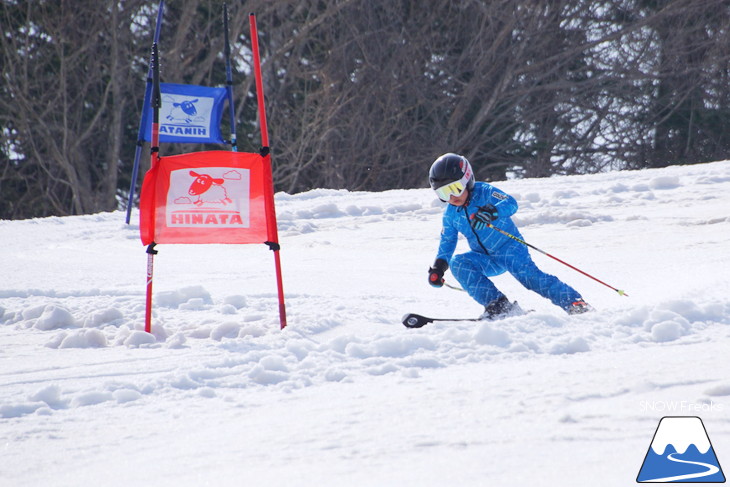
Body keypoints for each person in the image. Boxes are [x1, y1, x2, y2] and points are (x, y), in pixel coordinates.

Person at [427, 153, 591, 319]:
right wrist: (439, 268)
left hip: (509, 248)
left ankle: (574, 302)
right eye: (443, 193)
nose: (452, 197)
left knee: (530, 278)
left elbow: (511, 203)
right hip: (485, 258)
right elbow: (448, 240)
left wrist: (491, 211)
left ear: (467, 180)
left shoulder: (484, 192)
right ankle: (499, 306)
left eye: (454, 189)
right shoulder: (450, 214)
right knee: (459, 263)